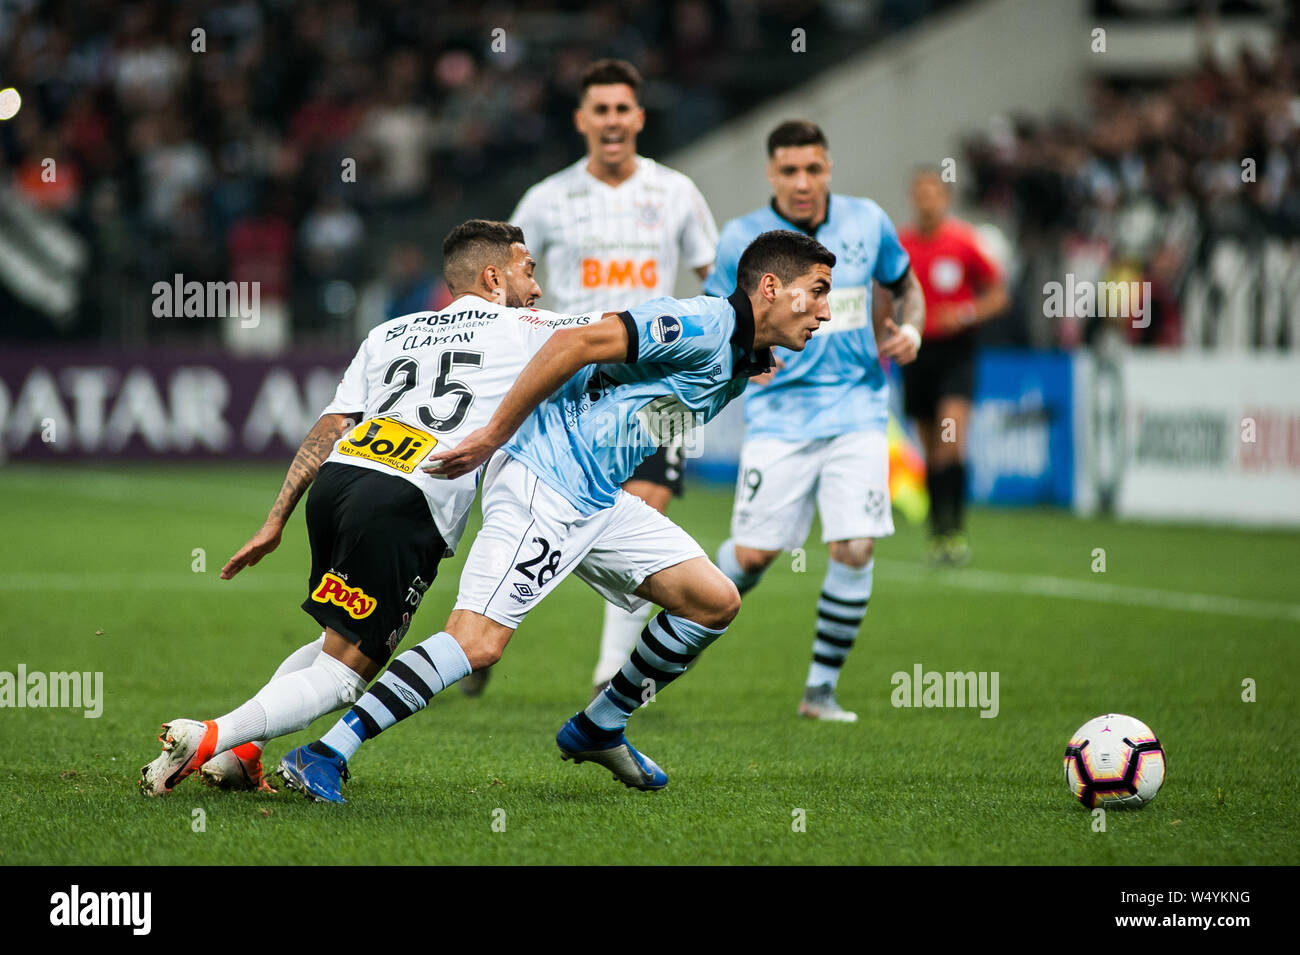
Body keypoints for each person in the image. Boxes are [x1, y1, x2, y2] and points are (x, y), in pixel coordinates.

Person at [277, 230, 837, 803]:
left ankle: (600, 726)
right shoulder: (700, 323)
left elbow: (636, 405)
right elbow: (575, 344)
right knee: (477, 643)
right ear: (771, 287)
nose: (824, 309)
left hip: (596, 494)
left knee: (713, 601)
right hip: (541, 479)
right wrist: (494, 435)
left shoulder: (746, 356)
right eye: (816, 291)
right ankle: (324, 752)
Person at [139, 220, 603, 796]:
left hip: (339, 483)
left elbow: (332, 425)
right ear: (493, 277)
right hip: (407, 500)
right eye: (527, 270)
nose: (535, 287)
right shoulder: (529, 326)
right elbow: (621, 330)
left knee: (339, 639)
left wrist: (276, 519)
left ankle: (240, 753)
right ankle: (208, 735)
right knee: (345, 672)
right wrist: (737, 339)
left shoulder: (390, 332)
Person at [469, 58, 718, 701]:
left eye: (622, 109)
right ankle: (481, 633)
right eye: (599, 110)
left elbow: (712, 279)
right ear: (582, 120)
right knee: (532, 515)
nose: (612, 121)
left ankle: (611, 670)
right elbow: (501, 275)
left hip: (658, 383)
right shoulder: (548, 198)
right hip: (565, 381)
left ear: (639, 117)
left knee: (648, 504)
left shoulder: (677, 193)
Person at [705, 120, 926, 722]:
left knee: (854, 547)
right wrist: (743, 358)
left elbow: (906, 287)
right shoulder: (741, 239)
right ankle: (684, 611)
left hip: (858, 409)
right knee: (752, 557)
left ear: (829, 168)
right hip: (779, 418)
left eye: (814, 169)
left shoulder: (867, 221)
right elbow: (715, 314)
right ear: (771, 174)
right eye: (789, 171)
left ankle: (820, 692)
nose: (803, 183)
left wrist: (911, 329)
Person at [898, 167, 1008, 565]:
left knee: (950, 441)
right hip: (917, 353)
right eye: (920, 193)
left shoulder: (964, 243)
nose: (927, 201)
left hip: (956, 354)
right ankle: (937, 535)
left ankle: (956, 532)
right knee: (930, 449)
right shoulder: (902, 244)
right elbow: (885, 292)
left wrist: (963, 314)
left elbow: (998, 295)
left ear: (945, 199)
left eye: (934, 193)